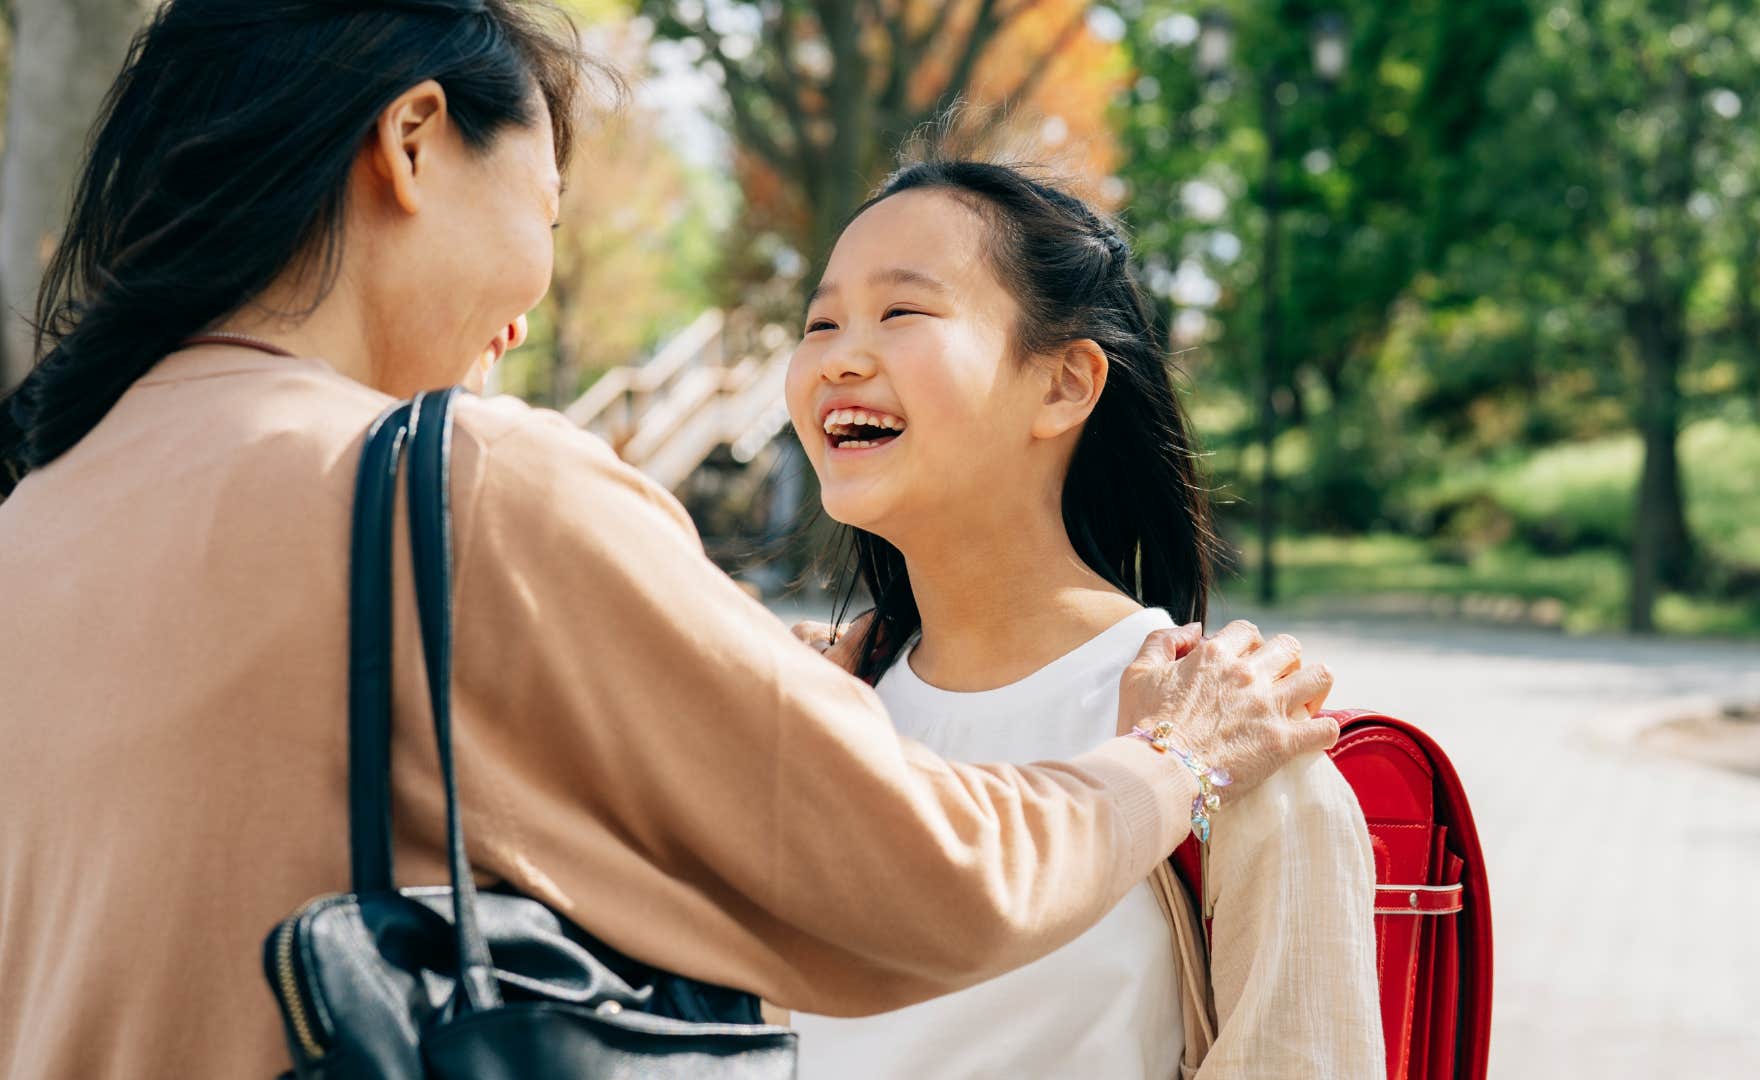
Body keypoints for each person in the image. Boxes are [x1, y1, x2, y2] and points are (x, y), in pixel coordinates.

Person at [0, 4, 1340, 1078]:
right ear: (413, 144)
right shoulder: (461, 487)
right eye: (547, 213)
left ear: (1069, 384)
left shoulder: (40, 513)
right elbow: (936, 879)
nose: (524, 316)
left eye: (901, 314)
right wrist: (1176, 760)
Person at [782, 158, 1387, 1078]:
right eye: (820, 322)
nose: (838, 356)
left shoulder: (1233, 745)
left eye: (901, 313)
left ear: (1064, 383)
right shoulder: (814, 710)